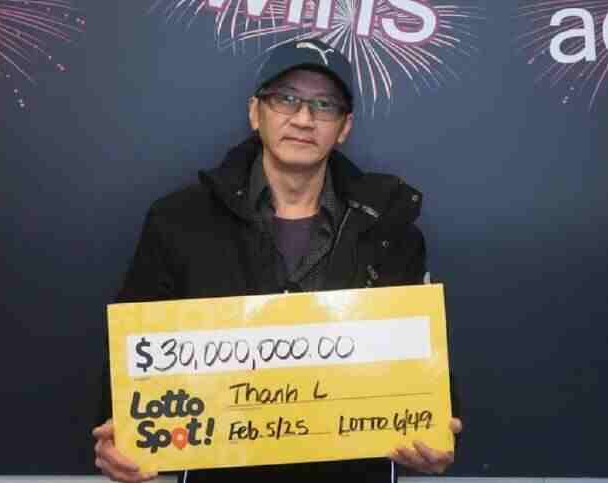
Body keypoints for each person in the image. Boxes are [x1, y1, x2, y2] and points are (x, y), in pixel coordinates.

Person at [93, 38, 462, 483]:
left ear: (344, 127)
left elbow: (421, 364)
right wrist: (118, 432)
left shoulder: (390, 230)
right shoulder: (178, 221)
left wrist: (437, 429)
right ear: (255, 112)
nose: (303, 119)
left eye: (324, 105)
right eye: (286, 99)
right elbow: (135, 353)